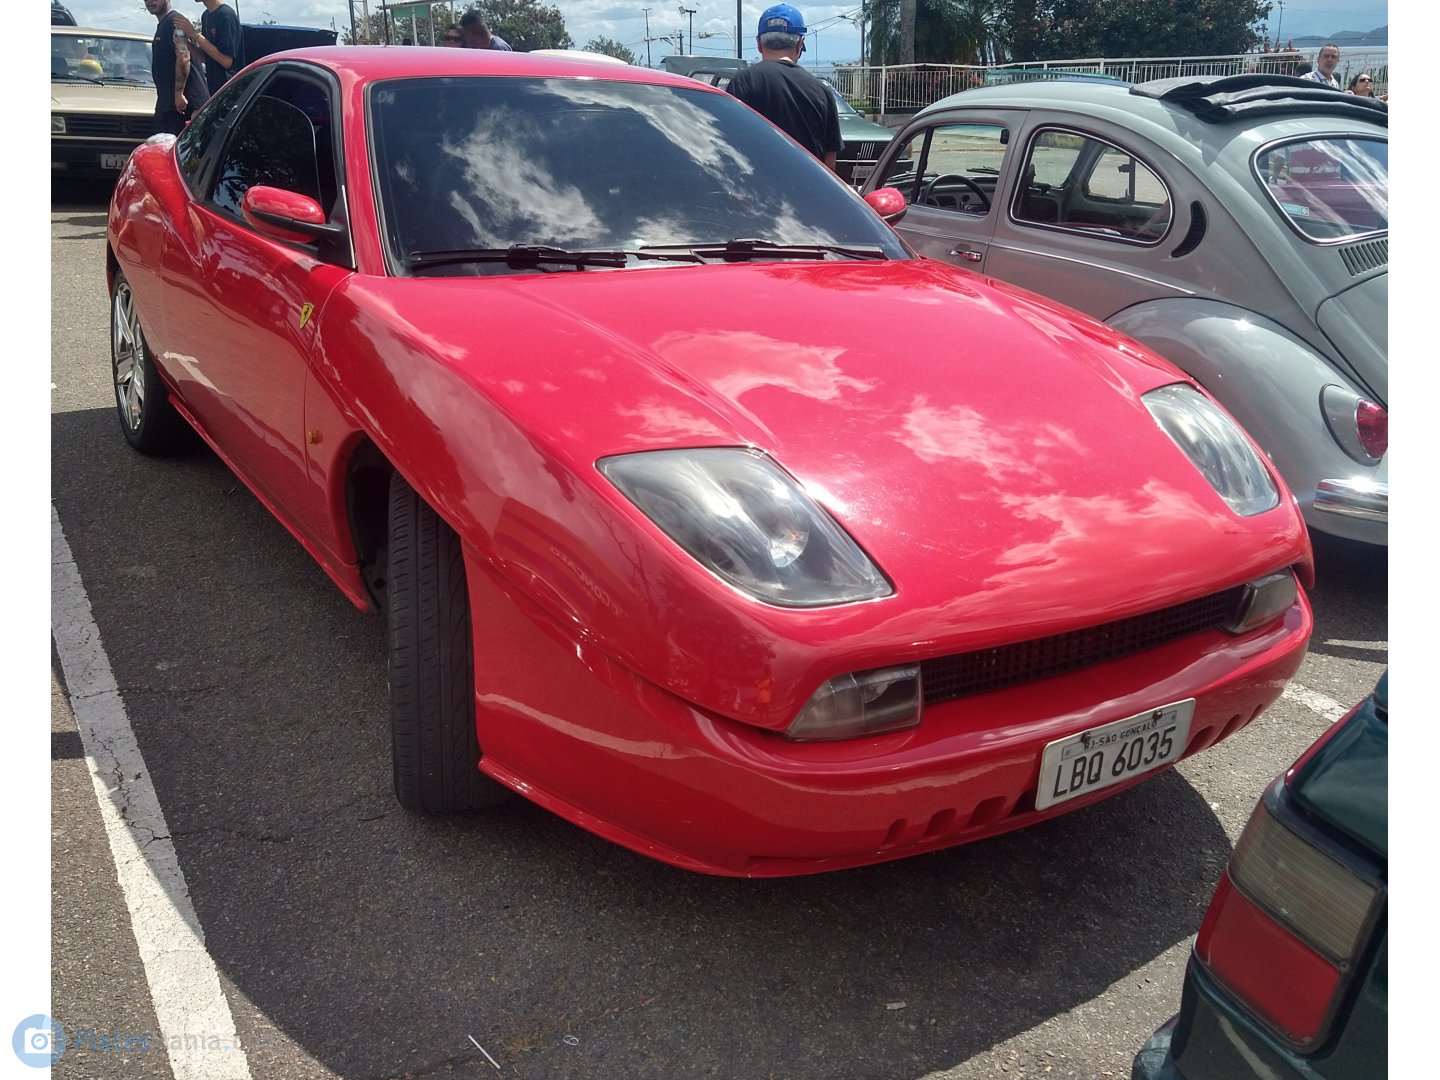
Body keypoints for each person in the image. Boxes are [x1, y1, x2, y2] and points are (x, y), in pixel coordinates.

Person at [725, 4, 841, 171]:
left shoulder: (742, 82)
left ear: (759, 43)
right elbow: (830, 163)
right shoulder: (822, 90)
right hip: (806, 192)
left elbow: (730, 143)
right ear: (799, 45)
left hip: (756, 191)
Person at [145, 0, 209, 135]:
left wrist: (179, 93)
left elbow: (184, 56)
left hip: (185, 105)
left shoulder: (176, 23)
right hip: (169, 103)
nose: (150, 1)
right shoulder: (164, 24)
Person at [184, 0, 243, 97]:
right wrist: (186, 43)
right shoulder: (206, 16)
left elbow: (226, 61)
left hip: (230, 91)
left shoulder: (226, 15)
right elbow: (205, 57)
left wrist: (194, 34)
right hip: (214, 91)